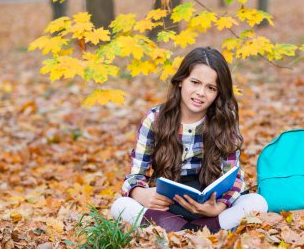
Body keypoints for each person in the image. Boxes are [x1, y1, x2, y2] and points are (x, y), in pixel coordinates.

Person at [111, 47, 268, 232]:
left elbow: (234, 177)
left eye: (211, 88)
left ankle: (184, 229)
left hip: (208, 206)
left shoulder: (224, 121)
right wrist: (141, 193)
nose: (201, 92)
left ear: (218, 93)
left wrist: (219, 207)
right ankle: (195, 230)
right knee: (120, 206)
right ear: (180, 81)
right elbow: (135, 175)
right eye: (195, 82)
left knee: (257, 202)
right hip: (166, 205)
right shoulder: (155, 120)